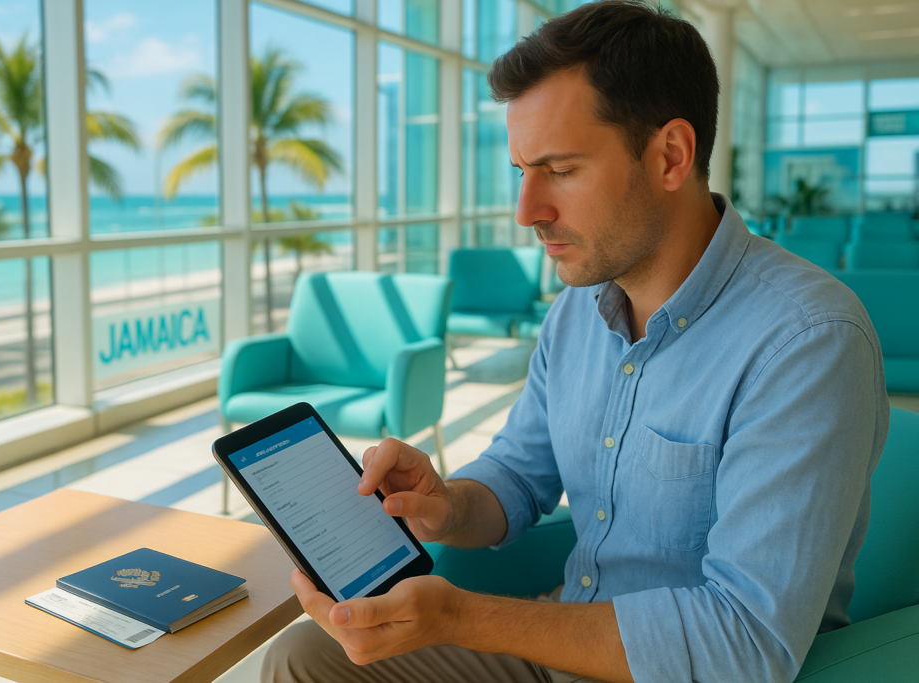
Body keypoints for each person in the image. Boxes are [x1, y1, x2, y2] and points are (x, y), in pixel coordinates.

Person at [262, 1, 890, 681]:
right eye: (522, 170)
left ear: (671, 156)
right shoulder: (577, 312)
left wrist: (461, 616)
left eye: (560, 170)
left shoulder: (806, 340)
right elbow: (517, 475)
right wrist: (447, 502)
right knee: (302, 655)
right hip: (562, 640)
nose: (527, 211)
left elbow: (742, 642)